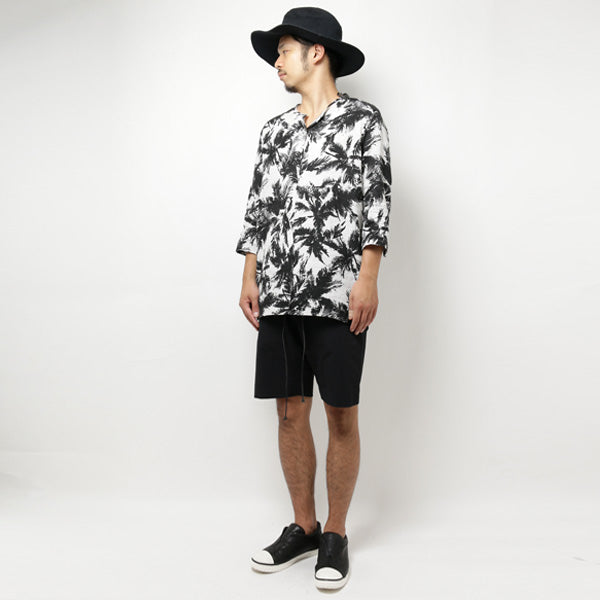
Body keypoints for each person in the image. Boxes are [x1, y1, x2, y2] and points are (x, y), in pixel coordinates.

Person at [236, 6, 391, 591]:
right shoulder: (273, 131)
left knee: (340, 413)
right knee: (288, 410)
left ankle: (336, 534)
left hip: (337, 294)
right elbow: (258, 207)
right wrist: (250, 274)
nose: (276, 62)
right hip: (279, 292)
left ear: (315, 52)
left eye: (283, 50)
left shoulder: (363, 121)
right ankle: (303, 526)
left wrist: (368, 277)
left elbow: (376, 201)